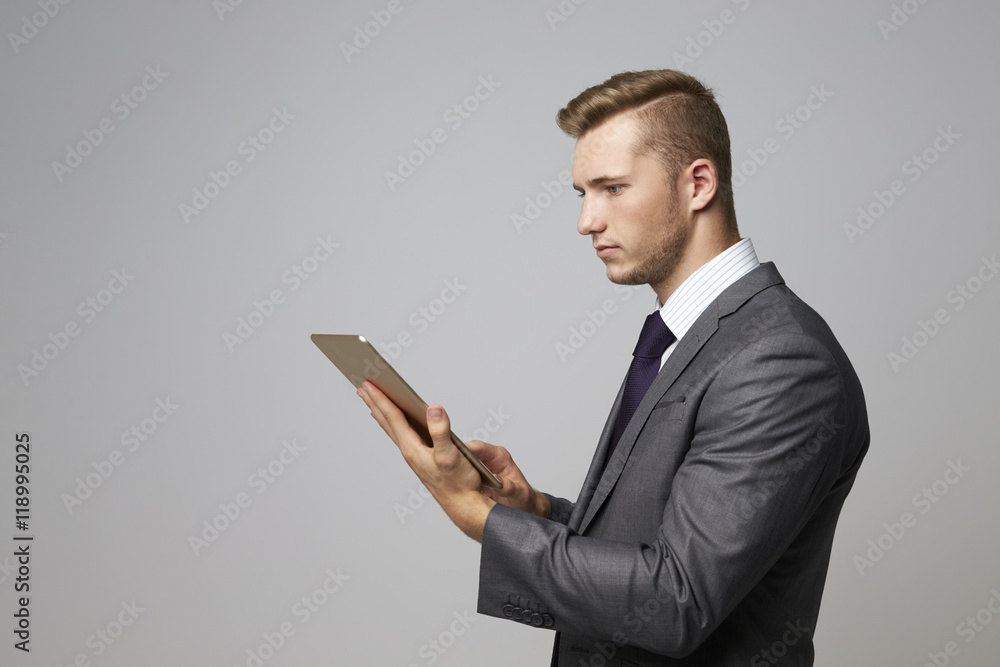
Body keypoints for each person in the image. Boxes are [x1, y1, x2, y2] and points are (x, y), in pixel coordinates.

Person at [357, 69, 870, 666]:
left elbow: (677, 598)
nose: (586, 221)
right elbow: (659, 546)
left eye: (612, 188)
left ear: (698, 183)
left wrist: (482, 520)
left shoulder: (780, 361)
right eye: (582, 193)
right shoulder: (688, 337)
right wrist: (536, 512)